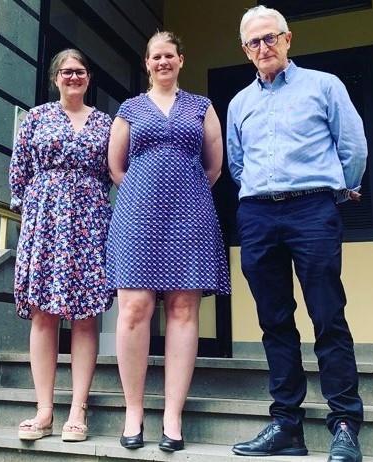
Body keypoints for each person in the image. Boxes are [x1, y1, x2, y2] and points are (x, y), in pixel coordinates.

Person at [226, 6, 367, 462]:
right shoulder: (239, 103)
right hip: (257, 215)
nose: (263, 47)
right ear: (245, 50)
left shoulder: (324, 85)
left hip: (312, 209)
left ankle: (344, 423)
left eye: (270, 38)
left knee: (327, 315)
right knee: (274, 321)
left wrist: (337, 192)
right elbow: (237, 163)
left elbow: (353, 147)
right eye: (254, 42)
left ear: (288, 39)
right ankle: (287, 424)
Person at [107, 31, 231, 452]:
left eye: (169, 55)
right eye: (155, 56)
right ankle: (134, 411)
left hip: (189, 214)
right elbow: (117, 168)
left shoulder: (201, 107)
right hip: (137, 216)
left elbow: (214, 167)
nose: (163, 62)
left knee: (182, 310)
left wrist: (182, 191)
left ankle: (173, 415)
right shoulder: (130, 109)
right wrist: (146, 192)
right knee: (134, 310)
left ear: (181, 60)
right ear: (147, 63)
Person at [9, 49, 114, 443]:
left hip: (89, 219)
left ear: (88, 78)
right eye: (67, 71)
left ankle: (78, 409)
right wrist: (32, 217)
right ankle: (44, 410)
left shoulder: (105, 122)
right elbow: (19, 173)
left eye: (80, 71)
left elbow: (115, 171)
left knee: (85, 316)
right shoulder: (36, 118)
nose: (74, 77)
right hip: (45, 219)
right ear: (55, 77)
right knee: (43, 314)